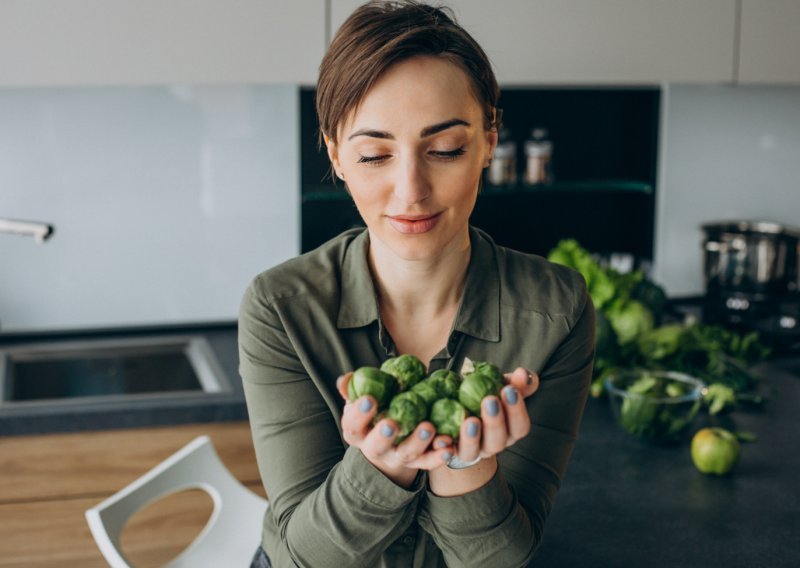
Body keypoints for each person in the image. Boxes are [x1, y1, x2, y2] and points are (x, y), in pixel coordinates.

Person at [238, 2, 595, 566]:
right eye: (375, 155)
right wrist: (383, 463)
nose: (411, 191)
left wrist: (466, 463)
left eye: (446, 149)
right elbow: (300, 557)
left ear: (488, 141)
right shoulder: (280, 308)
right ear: (336, 154)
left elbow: (505, 557)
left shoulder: (557, 309)